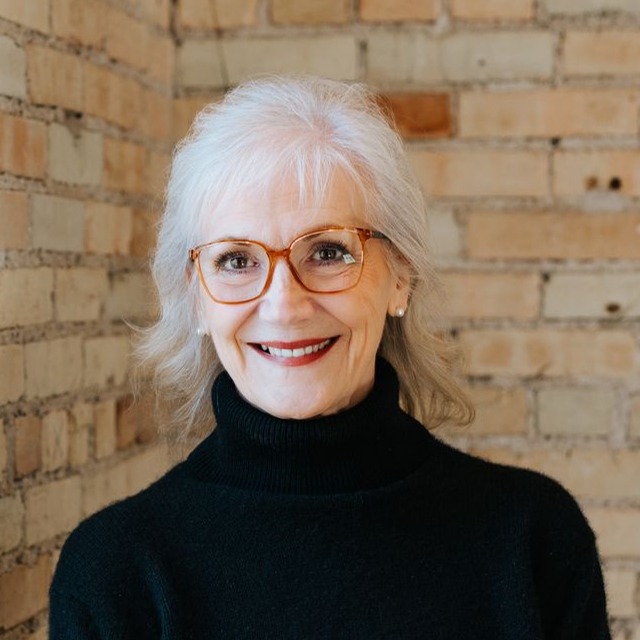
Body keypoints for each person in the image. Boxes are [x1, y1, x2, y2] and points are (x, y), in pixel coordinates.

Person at [49, 76, 611, 639]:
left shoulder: (533, 539)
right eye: (237, 260)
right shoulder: (115, 573)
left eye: (327, 252)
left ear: (400, 277)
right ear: (195, 296)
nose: (284, 307)